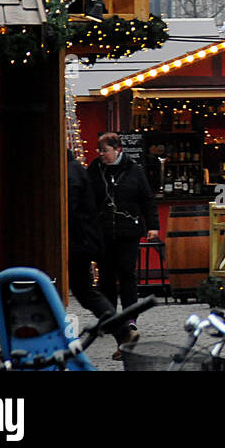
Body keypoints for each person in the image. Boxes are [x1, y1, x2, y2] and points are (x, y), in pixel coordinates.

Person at [88, 132, 158, 359]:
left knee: (127, 274)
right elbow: (88, 198)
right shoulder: (95, 170)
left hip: (129, 231)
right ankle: (110, 319)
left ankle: (130, 320)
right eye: (99, 151)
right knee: (106, 278)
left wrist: (153, 225)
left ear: (117, 150)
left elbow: (147, 199)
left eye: (105, 151)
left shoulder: (134, 170)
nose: (101, 155)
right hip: (104, 232)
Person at [67, 149, 134, 350]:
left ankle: (123, 331)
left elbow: (69, 208)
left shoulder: (70, 172)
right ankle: (122, 331)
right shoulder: (78, 169)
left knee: (85, 291)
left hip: (76, 242)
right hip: (84, 240)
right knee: (86, 291)